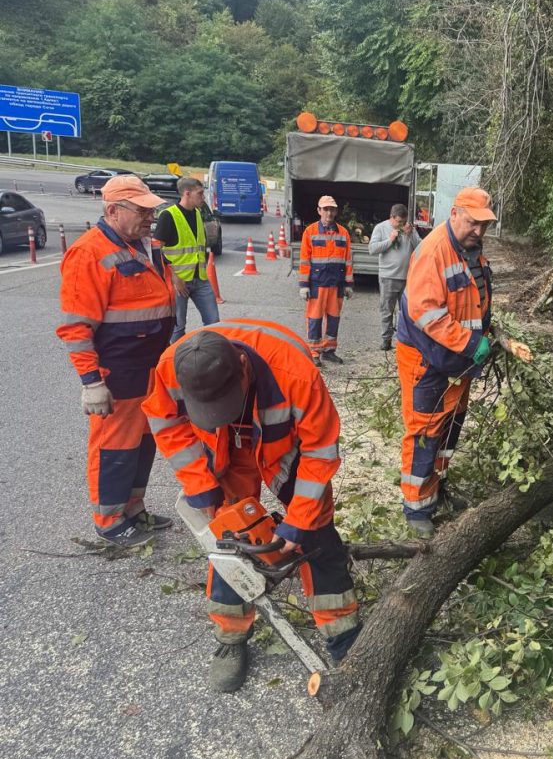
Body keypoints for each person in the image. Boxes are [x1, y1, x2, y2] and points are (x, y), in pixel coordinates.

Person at [141, 320, 361, 692]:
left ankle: (342, 633)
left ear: (243, 367)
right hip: (226, 447)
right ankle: (230, 636)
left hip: (284, 446)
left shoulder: (296, 375)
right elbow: (165, 424)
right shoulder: (171, 368)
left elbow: (321, 450)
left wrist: (299, 520)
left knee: (315, 526)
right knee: (229, 537)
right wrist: (199, 484)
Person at [56, 175, 177, 547]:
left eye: (151, 210)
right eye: (142, 211)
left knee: (143, 443)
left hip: (150, 367)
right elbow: (77, 327)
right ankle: (109, 521)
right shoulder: (89, 253)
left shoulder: (145, 246)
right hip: (118, 369)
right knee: (115, 448)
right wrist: (92, 383)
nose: (150, 217)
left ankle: (133, 509)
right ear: (113, 211)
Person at [393, 187, 496, 536]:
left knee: (451, 426)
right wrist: (472, 343)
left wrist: (489, 333)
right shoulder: (434, 251)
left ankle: (438, 489)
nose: (478, 231)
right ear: (454, 214)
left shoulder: (471, 251)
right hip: (427, 360)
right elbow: (428, 314)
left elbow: (475, 301)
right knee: (425, 431)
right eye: (473, 223)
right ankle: (416, 507)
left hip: (456, 361)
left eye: (484, 225)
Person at [155, 176, 219, 343]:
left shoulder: (197, 213)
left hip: (200, 278)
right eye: (200, 193)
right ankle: (174, 357)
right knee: (178, 327)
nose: (203, 197)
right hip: (178, 282)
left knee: (214, 323)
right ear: (187, 193)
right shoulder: (168, 215)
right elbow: (155, 250)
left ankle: (210, 353)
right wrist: (174, 277)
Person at [298, 195, 354, 366]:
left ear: (336, 211)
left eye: (332, 209)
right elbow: (304, 260)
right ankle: (314, 352)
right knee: (315, 319)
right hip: (317, 284)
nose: (329, 213)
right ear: (319, 210)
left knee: (334, 319)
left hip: (336, 284)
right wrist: (304, 285)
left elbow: (348, 260)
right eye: (326, 209)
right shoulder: (310, 232)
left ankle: (329, 351)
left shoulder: (343, 233)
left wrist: (348, 284)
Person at [369, 203, 421, 351]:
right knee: (387, 310)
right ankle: (386, 340)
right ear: (391, 218)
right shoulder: (381, 228)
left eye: (404, 221)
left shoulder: (409, 229)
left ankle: (404, 341)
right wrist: (390, 240)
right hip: (388, 277)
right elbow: (372, 249)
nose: (402, 225)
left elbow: (421, 248)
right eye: (399, 222)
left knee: (406, 311)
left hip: (407, 278)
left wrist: (410, 235)